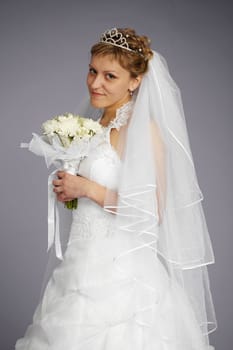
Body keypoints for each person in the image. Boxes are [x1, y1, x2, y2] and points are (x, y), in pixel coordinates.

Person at [15, 27, 217, 349]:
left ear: (134, 82)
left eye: (110, 76)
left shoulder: (140, 130)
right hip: (80, 263)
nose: (96, 83)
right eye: (93, 71)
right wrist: (69, 189)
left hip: (121, 273)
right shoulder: (94, 126)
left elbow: (152, 211)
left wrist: (87, 188)